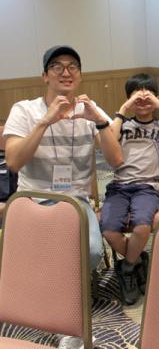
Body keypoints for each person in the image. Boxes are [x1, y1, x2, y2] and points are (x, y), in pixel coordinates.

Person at [3, 45, 123, 349]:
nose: (66, 72)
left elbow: (116, 160)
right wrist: (45, 121)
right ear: (45, 75)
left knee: (91, 252)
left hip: (75, 202)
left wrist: (99, 121)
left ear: (80, 75)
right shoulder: (25, 110)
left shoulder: (90, 110)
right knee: (49, 253)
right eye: (57, 66)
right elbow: (14, 161)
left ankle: (56, 306)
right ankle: (67, 320)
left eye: (73, 66)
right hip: (33, 200)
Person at [100, 73, 159, 305]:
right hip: (119, 187)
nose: (142, 100)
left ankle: (127, 268)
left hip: (147, 189)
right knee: (109, 231)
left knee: (142, 227)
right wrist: (123, 109)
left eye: (147, 95)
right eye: (136, 96)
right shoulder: (123, 124)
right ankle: (138, 260)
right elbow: (108, 139)